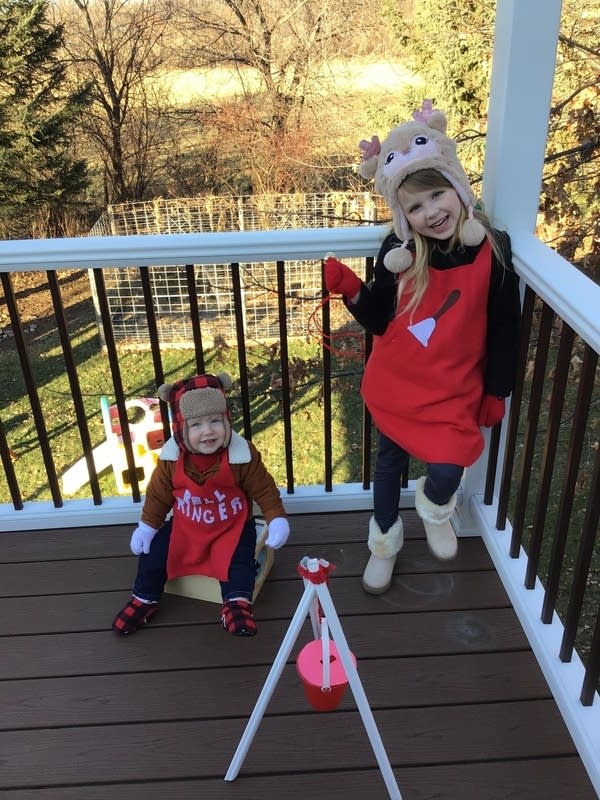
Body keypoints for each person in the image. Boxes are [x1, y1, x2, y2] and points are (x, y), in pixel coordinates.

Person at [324, 100, 521, 595]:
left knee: (451, 460)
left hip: (455, 388)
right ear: (402, 215)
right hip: (398, 384)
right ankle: (383, 545)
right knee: (388, 466)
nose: (431, 211)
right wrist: (351, 288)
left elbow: (504, 328)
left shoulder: (492, 249)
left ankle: (436, 508)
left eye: (437, 195)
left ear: (457, 189)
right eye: (414, 206)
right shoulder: (398, 254)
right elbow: (378, 320)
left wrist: (497, 390)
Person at [112, 372, 289, 636]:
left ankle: (236, 604)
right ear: (181, 429)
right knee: (154, 554)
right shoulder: (171, 459)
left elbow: (263, 489)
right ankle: (145, 598)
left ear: (227, 421)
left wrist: (276, 518)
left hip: (232, 525)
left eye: (215, 421)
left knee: (239, 562)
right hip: (187, 524)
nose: (208, 431)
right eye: (196, 425)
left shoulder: (242, 454)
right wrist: (148, 526)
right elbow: (158, 495)